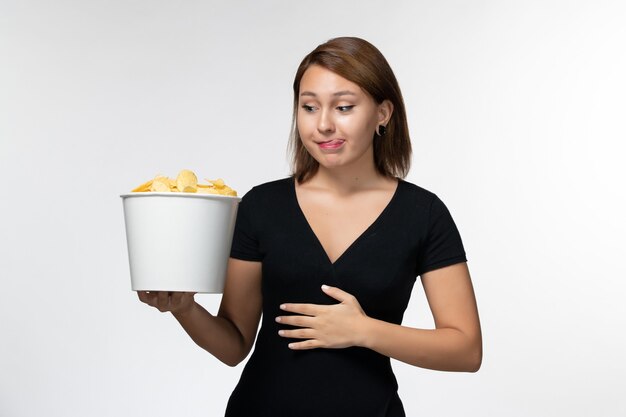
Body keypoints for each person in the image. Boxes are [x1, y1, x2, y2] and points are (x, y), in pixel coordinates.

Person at [138, 36, 482, 417]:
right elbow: (234, 345)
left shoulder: (424, 214)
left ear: (383, 113)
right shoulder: (262, 207)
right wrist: (185, 309)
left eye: (344, 107)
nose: (323, 125)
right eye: (309, 107)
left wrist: (363, 330)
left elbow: (466, 350)